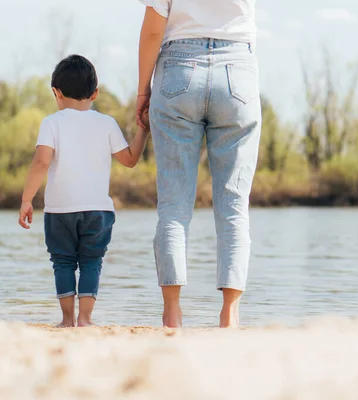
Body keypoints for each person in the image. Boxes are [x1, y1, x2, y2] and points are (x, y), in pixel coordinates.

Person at [136, 0, 261, 328]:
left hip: (178, 66)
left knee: (174, 206)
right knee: (234, 204)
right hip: (237, 68)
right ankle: (230, 314)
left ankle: (172, 312)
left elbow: (152, 31)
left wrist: (141, 93)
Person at [19, 55, 150, 328]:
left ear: (56, 92)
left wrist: (26, 199)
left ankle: (67, 320)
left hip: (59, 211)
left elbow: (42, 161)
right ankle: (86, 319)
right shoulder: (106, 123)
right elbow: (129, 160)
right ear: (95, 93)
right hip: (98, 211)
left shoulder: (51, 122)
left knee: (63, 262)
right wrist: (143, 131)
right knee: (92, 262)